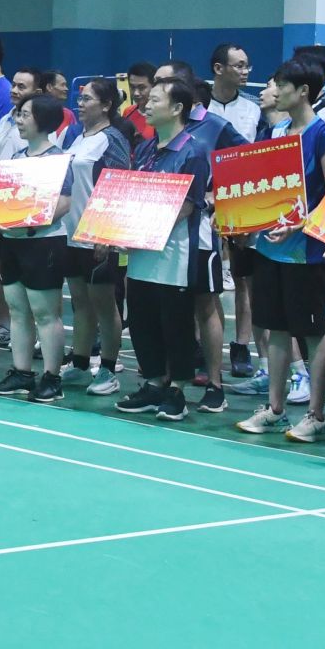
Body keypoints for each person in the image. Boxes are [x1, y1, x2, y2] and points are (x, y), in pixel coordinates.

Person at [235, 59, 325, 440]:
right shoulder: (277, 131)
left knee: (313, 334)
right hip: (270, 249)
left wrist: (299, 224)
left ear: (303, 92)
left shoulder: (323, 135)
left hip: (305, 254)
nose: (274, 91)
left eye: (281, 85)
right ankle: (276, 409)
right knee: (277, 329)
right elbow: (264, 187)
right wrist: (245, 223)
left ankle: (316, 416)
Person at [115, 77, 214, 420]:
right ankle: (154, 383)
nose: (146, 104)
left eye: (155, 99)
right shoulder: (145, 148)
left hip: (174, 253)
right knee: (142, 319)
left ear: (177, 108)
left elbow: (187, 206)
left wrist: (141, 229)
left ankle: (178, 391)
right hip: (141, 251)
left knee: (176, 323)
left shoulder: (193, 151)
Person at [0, 95, 74, 403]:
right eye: (18, 114)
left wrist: (30, 222)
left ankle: (52, 379)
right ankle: (22, 373)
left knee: (45, 313)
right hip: (13, 242)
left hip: (44, 243)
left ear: (43, 121)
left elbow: (64, 203)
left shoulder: (57, 159)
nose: (19, 120)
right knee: (18, 310)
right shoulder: (17, 157)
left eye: (25, 115)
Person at [61, 77, 133, 395]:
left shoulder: (112, 139)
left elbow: (118, 186)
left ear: (106, 105)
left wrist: (105, 233)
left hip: (97, 237)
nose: (80, 103)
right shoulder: (78, 138)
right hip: (71, 234)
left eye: (87, 99)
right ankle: (79, 365)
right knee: (80, 303)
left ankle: (108, 369)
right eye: (80, 98)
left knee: (105, 306)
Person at [207, 44, 261, 143]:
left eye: (247, 67)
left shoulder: (255, 107)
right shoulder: (198, 105)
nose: (245, 72)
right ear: (218, 68)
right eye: (239, 66)